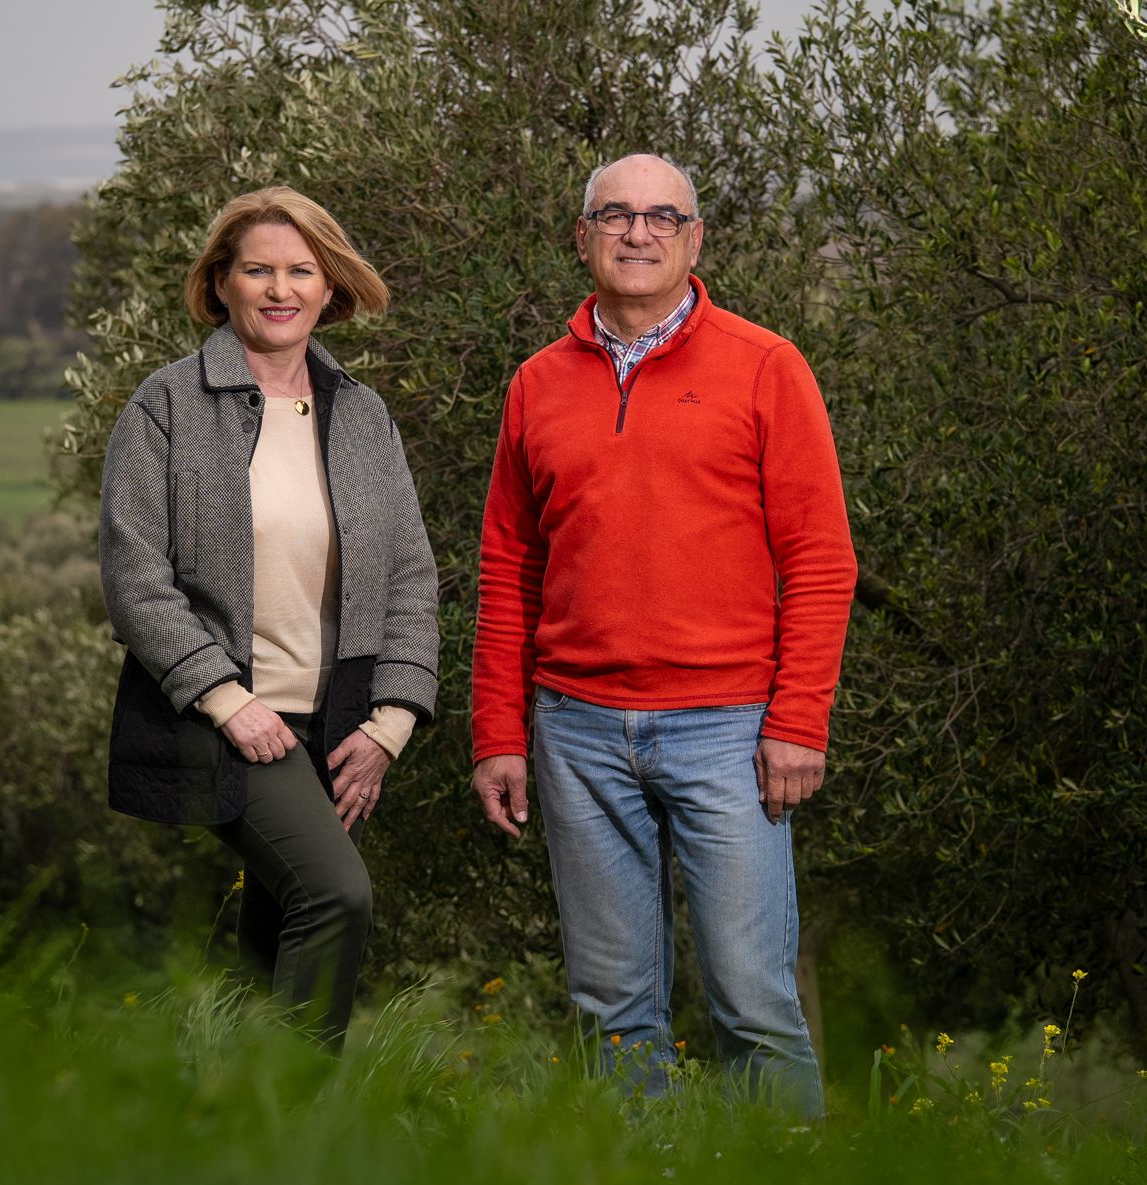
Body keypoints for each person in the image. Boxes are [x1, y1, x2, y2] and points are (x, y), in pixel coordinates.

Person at [470, 154, 856, 1115]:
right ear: (582, 236)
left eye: (660, 217)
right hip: (577, 731)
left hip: (729, 730)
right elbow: (507, 571)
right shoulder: (536, 385)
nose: (637, 233)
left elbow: (820, 558)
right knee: (610, 1009)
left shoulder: (767, 367)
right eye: (615, 215)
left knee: (754, 1004)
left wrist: (799, 719)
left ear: (694, 239)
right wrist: (499, 735)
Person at [99, 186, 440, 1047]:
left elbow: (408, 575)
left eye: (301, 271)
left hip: (338, 720)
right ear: (221, 284)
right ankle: (296, 1131)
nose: (279, 289)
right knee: (336, 894)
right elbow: (135, 577)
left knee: (275, 933)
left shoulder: (362, 416)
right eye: (257, 270)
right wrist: (226, 699)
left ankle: (228, 1129)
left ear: (330, 288)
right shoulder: (167, 407)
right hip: (228, 718)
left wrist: (392, 722)